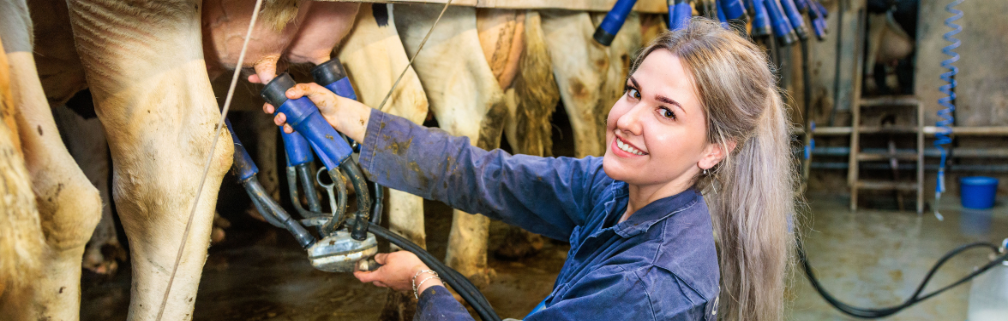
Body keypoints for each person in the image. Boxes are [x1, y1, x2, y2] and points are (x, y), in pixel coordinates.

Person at [263, 18, 796, 321]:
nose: (628, 119)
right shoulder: (617, 190)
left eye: (666, 111)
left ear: (714, 150)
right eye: (633, 91)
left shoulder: (646, 286)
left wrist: (425, 283)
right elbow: (484, 175)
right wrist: (350, 118)